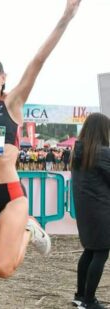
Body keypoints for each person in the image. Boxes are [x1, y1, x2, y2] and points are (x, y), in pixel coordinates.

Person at [0, 0, 81, 279]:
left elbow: (37, 61)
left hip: (10, 194)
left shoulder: (12, 103)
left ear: (3, 78)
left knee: (1, 269)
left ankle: (28, 228)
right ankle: (0, 231)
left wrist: (66, 18)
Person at [71, 113, 110, 309]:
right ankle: (89, 301)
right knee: (101, 252)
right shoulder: (103, 153)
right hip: (102, 210)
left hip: (85, 210)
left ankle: (80, 295)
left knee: (90, 251)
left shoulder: (79, 151)